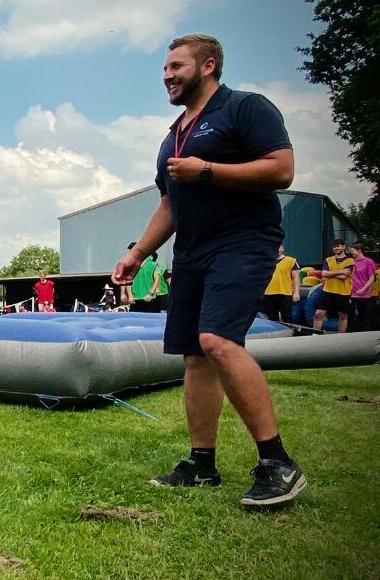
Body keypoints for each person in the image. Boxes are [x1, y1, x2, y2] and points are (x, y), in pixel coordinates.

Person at [112, 34, 305, 507]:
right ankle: (202, 464)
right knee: (193, 355)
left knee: (217, 341)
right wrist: (138, 253)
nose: (166, 75)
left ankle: (278, 463)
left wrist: (208, 170)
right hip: (191, 254)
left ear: (209, 66)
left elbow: (281, 169)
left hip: (242, 242)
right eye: (164, 69)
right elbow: (169, 203)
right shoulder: (173, 134)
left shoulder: (244, 108)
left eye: (176, 66)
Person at [314, 239, 354, 333]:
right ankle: (314, 336)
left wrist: (330, 273)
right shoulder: (328, 260)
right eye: (334, 246)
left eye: (338, 245)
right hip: (328, 291)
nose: (336, 247)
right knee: (318, 314)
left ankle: (341, 338)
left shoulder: (350, 261)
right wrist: (341, 271)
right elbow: (324, 273)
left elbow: (344, 277)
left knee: (343, 316)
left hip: (343, 292)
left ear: (343, 247)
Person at [261, 244, 300, 323]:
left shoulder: (291, 261)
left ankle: (290, 333)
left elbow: (296, 278)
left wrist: (296, 292)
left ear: (282, 249)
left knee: (286, 317)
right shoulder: (265, 261)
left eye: (278, 247)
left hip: (284, 293)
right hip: (268, 293)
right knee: (271, 318)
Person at [348, 243, 376, 332]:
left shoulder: (368, 261)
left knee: (363, 316)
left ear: (359, 250)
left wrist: (363, 289)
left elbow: (372, 278)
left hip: (364, 294)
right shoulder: (351, 261)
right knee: (350, 315)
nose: (351, 253)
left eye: (352, 251)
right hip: (351, 293)